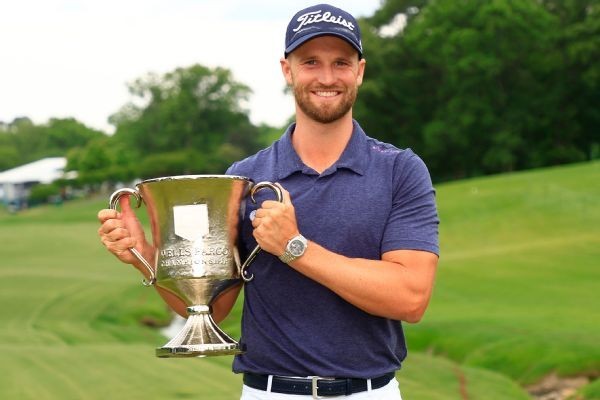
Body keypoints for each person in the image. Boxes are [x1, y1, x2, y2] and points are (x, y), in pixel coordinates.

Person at [98, 4, 439, 399]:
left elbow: (411, 297)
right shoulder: (241, 178)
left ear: (359, 71)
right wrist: (148, 254)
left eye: (341, 63)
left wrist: (295, 248)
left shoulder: (400, 170)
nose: (327, 77)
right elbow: (215, 308)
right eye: (310, 61)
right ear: (287, 70)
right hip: (270, 392)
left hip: (370, 392)